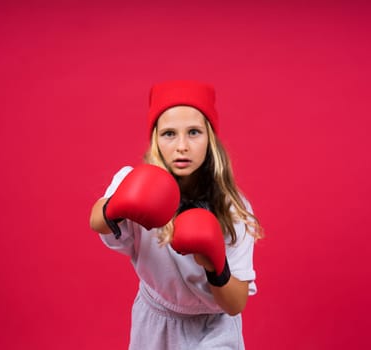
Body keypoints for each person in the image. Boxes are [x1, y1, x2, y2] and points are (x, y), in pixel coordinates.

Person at [89, 80, 262, 349]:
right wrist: (117, 205)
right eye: (169, 133)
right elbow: (95, 221)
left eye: (194, 132)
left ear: (210, 139)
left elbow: (236, 303)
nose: (182, 145)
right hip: (155, 319)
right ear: (155, 139)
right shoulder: (133, 181)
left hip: (214, 327)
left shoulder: (232, 209)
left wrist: (216, 268)